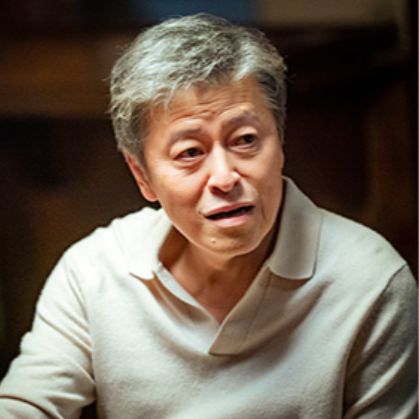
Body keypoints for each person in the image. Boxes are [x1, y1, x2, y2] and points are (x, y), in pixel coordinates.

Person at [0, 13, 417, 419]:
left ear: (280, 143)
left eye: (245, 140)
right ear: (142, 176)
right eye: (190, 152)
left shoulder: (372, 283)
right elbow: (27, 405)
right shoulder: (93, 272)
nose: (224, 176)